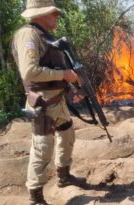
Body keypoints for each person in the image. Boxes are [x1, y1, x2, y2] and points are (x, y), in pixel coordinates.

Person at [11, 0, 82, 204]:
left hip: (58, 101)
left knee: (67, 136)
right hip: (42, 104)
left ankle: (64, 176)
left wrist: (70, 87)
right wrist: (65, 74)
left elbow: (53, 70)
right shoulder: (28, 35)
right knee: (42, 148)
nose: (56, 17)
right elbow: (29, 72)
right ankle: (36, 197)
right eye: (53, 13)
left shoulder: (47, 37)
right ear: (41, 14)